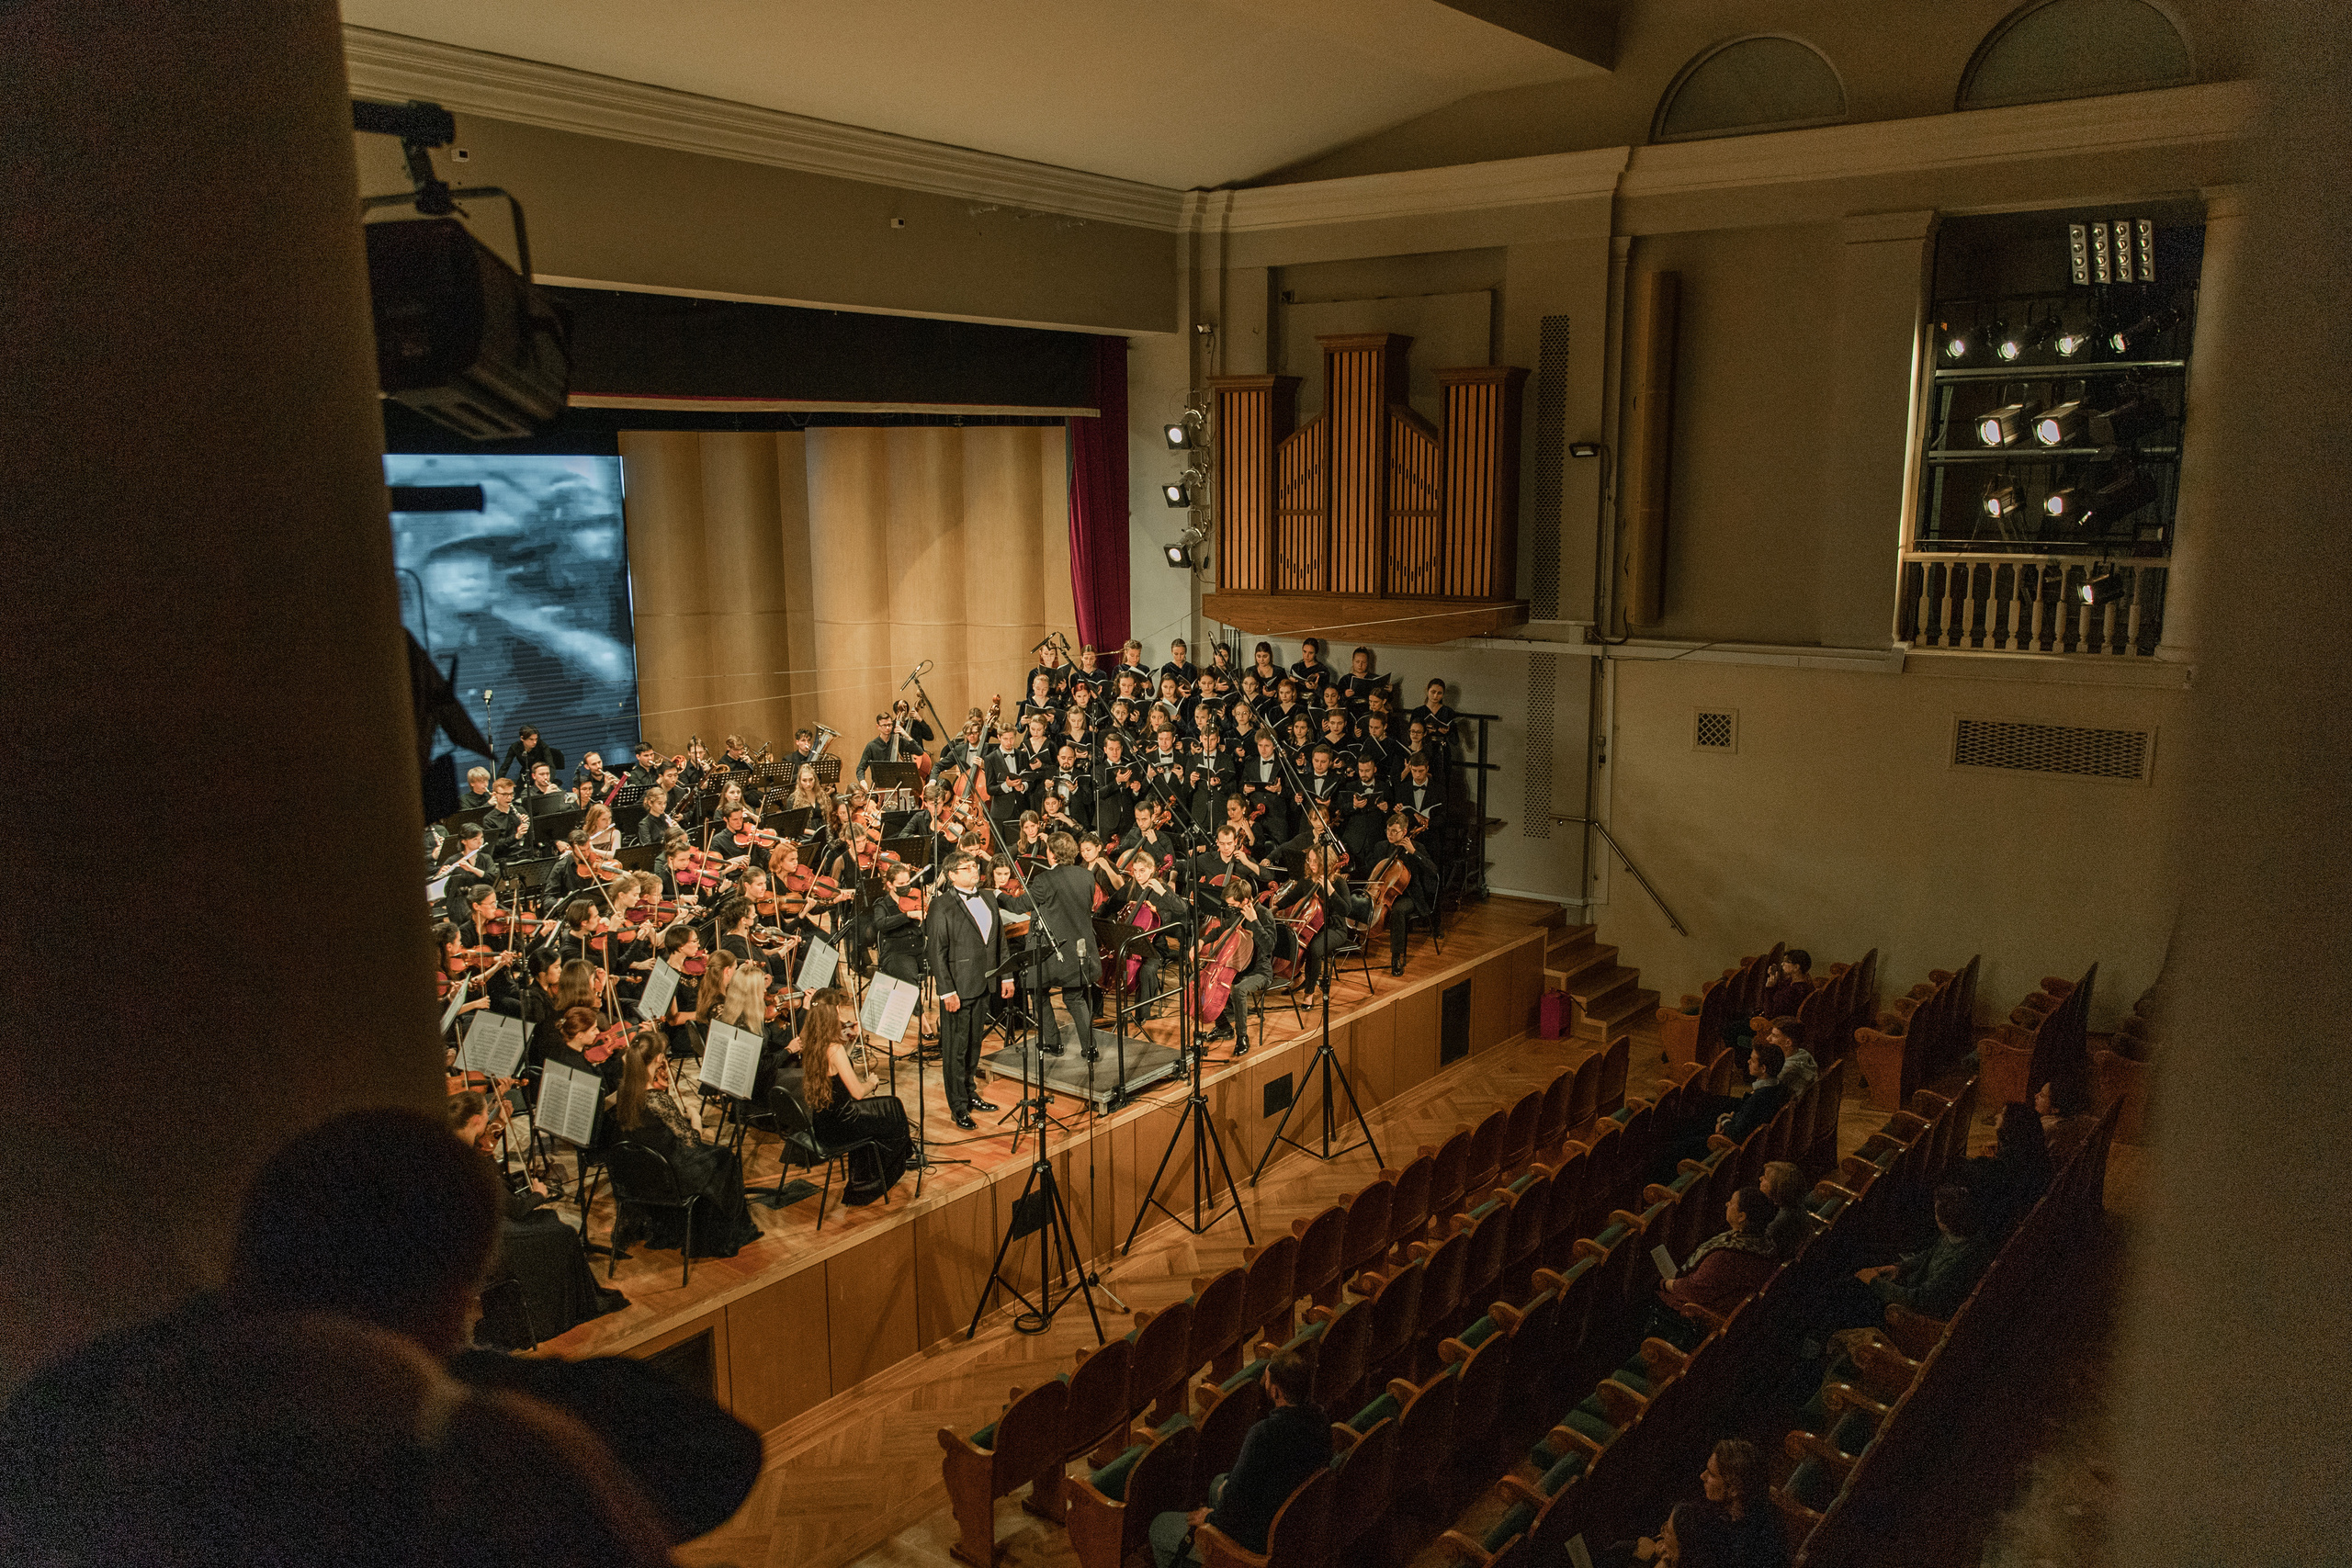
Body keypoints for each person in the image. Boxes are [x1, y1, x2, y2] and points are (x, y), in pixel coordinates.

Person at [0, 1109, 756, 1565]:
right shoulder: (453, 1452)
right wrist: (439, 1390)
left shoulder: (57, 1410)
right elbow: (714, 1450)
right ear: (452, 1303)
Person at [446, 1090, 627, 1346]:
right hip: (496, 1240)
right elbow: (517, 1210)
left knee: (550, 1218)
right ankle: (557, 1313)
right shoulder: (471, 1164)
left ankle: (568, 1303)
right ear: (476, 1120)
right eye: (488, 1114)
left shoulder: (452, 1150)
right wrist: (539, 1194)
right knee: (563, 1233)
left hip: (483, 1230)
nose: (490, 1118)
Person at [1149, 1350, 1329, 1568]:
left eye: (1267, 1379)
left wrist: (1209, 1520)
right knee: (1219, 1482)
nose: (1263, 1383)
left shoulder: (1264, 1435)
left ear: (1276, 1391)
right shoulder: (1321, 1421)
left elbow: (1232, 1514)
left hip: (1256, 1544)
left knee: (1160, 1527)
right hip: (1296, 1525)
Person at [603, 1029, 763, 1259]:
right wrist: (695, 1118)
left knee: (719, 1156)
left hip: (641, 1177)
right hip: (669, 1176)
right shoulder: (658, 1100)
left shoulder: (624, 1094)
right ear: (659, 1059)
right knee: (724, 1157)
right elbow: (691, 1141)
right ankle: (726, 1233)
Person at [1818, 1184, 1994, 1332]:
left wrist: (1874, 1282)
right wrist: (1899, 1268)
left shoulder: (1960, 1261)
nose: (1934, 1216)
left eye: (1936, 1213)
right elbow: (1930, 1254)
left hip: (1913, 1315)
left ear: (1945, 1222)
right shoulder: (1962, 1234)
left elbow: (1918, 1300)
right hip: (1912, 1286)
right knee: (1852, 1272)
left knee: (1844, 1294)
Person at [923, 850, 1015, 1130]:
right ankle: (958, 1106)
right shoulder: (941, 904)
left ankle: (970, 1092)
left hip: (985, 982)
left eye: (975, 866)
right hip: (958, 988)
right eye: (967, 868)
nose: (975, 870)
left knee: (975, 1044)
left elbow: (999, 941)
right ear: (952, 875)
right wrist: (946, 992)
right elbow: (935, 951)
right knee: (955, 1049)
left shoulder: (988, 897)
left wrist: (1007, 976)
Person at [796, 1001, 913, 1202]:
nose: (841, 1021)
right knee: (893, 1112)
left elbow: (837, 1071)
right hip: (842, 1124)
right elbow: (858, 1093)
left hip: (823, 1121)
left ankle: (902, 1155)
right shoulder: (833, 1049)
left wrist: (849, 1043)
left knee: (891, 1105)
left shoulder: (812, 1045)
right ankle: (871, 1180)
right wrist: (871, 1082)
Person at [1602, 1440, 1781, 1567]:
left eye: (1711, 1474)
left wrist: (1665, 1557)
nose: (1702, 1476)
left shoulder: (1740, 1545)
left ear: (1733, 1490)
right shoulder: (1741, 1510)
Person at [1652, 1188, 1781, 1348]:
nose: (1727, 1203)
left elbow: (1693, 1289)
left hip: (1704, 1317)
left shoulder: (1727, 1258)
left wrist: (1664, 1284)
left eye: (1732, 1203)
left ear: (1741, 1217)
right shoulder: (1765, 1241)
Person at [1028, 831, 1101, 1061]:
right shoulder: (1087, 876)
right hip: (1079, 950)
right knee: (1074, 997)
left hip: (1055, 952)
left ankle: (1053, 1043)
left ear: (1052, 854)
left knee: (1037, 991)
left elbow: (1021, 904)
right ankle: (1090, 1048)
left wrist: (997, 895)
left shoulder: (1043, 880)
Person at [1955, 1100, 2053, 1237]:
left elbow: (1978, 1179)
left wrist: (1988, 1163)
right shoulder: (2032, 1153)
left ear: (2011, 1126)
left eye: (2002, 1114)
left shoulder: (2006, 1165)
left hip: (1992, 1228)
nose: (1997, 1116)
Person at [1200, 878, 1275, 1053]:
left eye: (1234, 904)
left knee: (1238, 990)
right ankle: (1224, 1027)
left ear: (1246, 901)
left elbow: (1269, 946)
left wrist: (1254, 922)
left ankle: (1242, 1037)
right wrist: (1201, 940)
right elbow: (1221, 930)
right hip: (1237, 967)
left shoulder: (1264, 915)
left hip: (1259, 971)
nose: (1230, 908)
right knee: (1201, 980)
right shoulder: (1236, 912)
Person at [1368, 812, 1438, 976]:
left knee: (1398, 911)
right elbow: (1371, 869)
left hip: (1409, 895)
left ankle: (1395, 957)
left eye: (1394, 831)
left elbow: (1433, 870)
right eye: (1388, 830)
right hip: (1383, 893)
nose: (1390, 834)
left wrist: (1414, 852)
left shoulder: (1416, 848)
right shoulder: (1381, 847)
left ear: (1405, 832)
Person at [1761, 1160, 1813, 1258]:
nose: (1760, 1179)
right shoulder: (1796, 1206)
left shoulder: (1778, 1223)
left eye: (1765, 1178)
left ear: (1777, 1189)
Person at [1760, 949, 1813, 1020]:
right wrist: (1773, 975)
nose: (1782, 964)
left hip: (1778, 1025)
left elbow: (1770, 1015)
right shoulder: (1796, 982)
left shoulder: (1794, 992)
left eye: (1786, 962)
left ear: (1796, 967)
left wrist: (1769, 988)